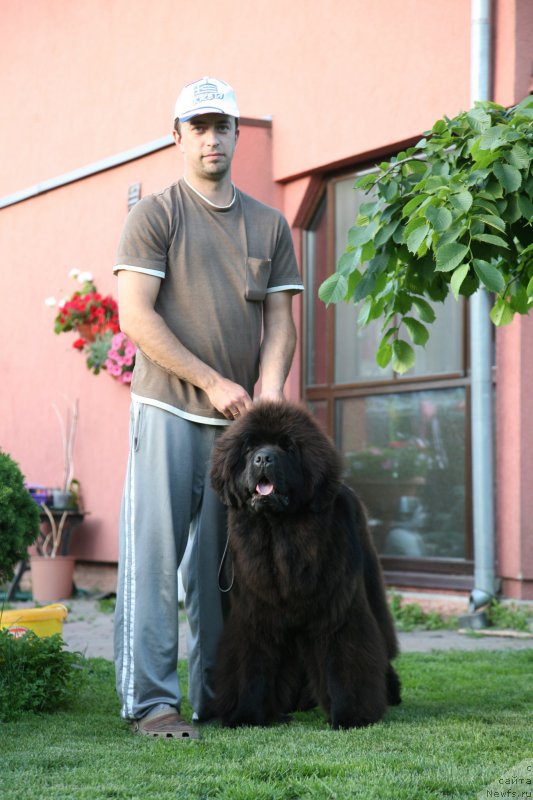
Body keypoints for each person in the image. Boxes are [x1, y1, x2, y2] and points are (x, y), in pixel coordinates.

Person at [113, 76, 304, 739]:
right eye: (197, 126)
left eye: (221, 125)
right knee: (153, 562)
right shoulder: (157, 214)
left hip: (237, 432)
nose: (211, 137)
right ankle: (151, 705)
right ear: (178, 137)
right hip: (166, 411)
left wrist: (271, 389)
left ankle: (219, 698)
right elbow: (134, 317)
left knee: (226, 572)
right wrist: (212, 382)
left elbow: (280, 323)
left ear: (236, 134)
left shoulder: (269, 223)